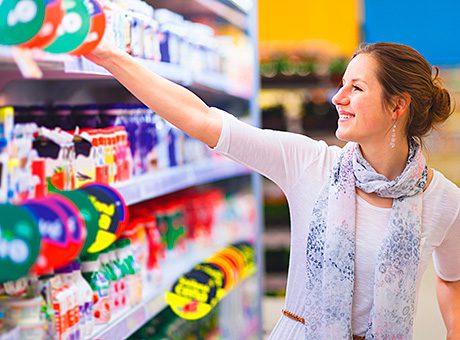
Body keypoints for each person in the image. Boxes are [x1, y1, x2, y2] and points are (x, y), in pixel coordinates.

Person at [87, 41, 460, 339]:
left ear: (397, 105)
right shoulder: (310, 164)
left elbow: (452, 279)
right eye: (342, 83)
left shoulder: (444, 200)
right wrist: (112, 57)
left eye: (356, 87)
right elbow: (202, 119)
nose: (337, 97)